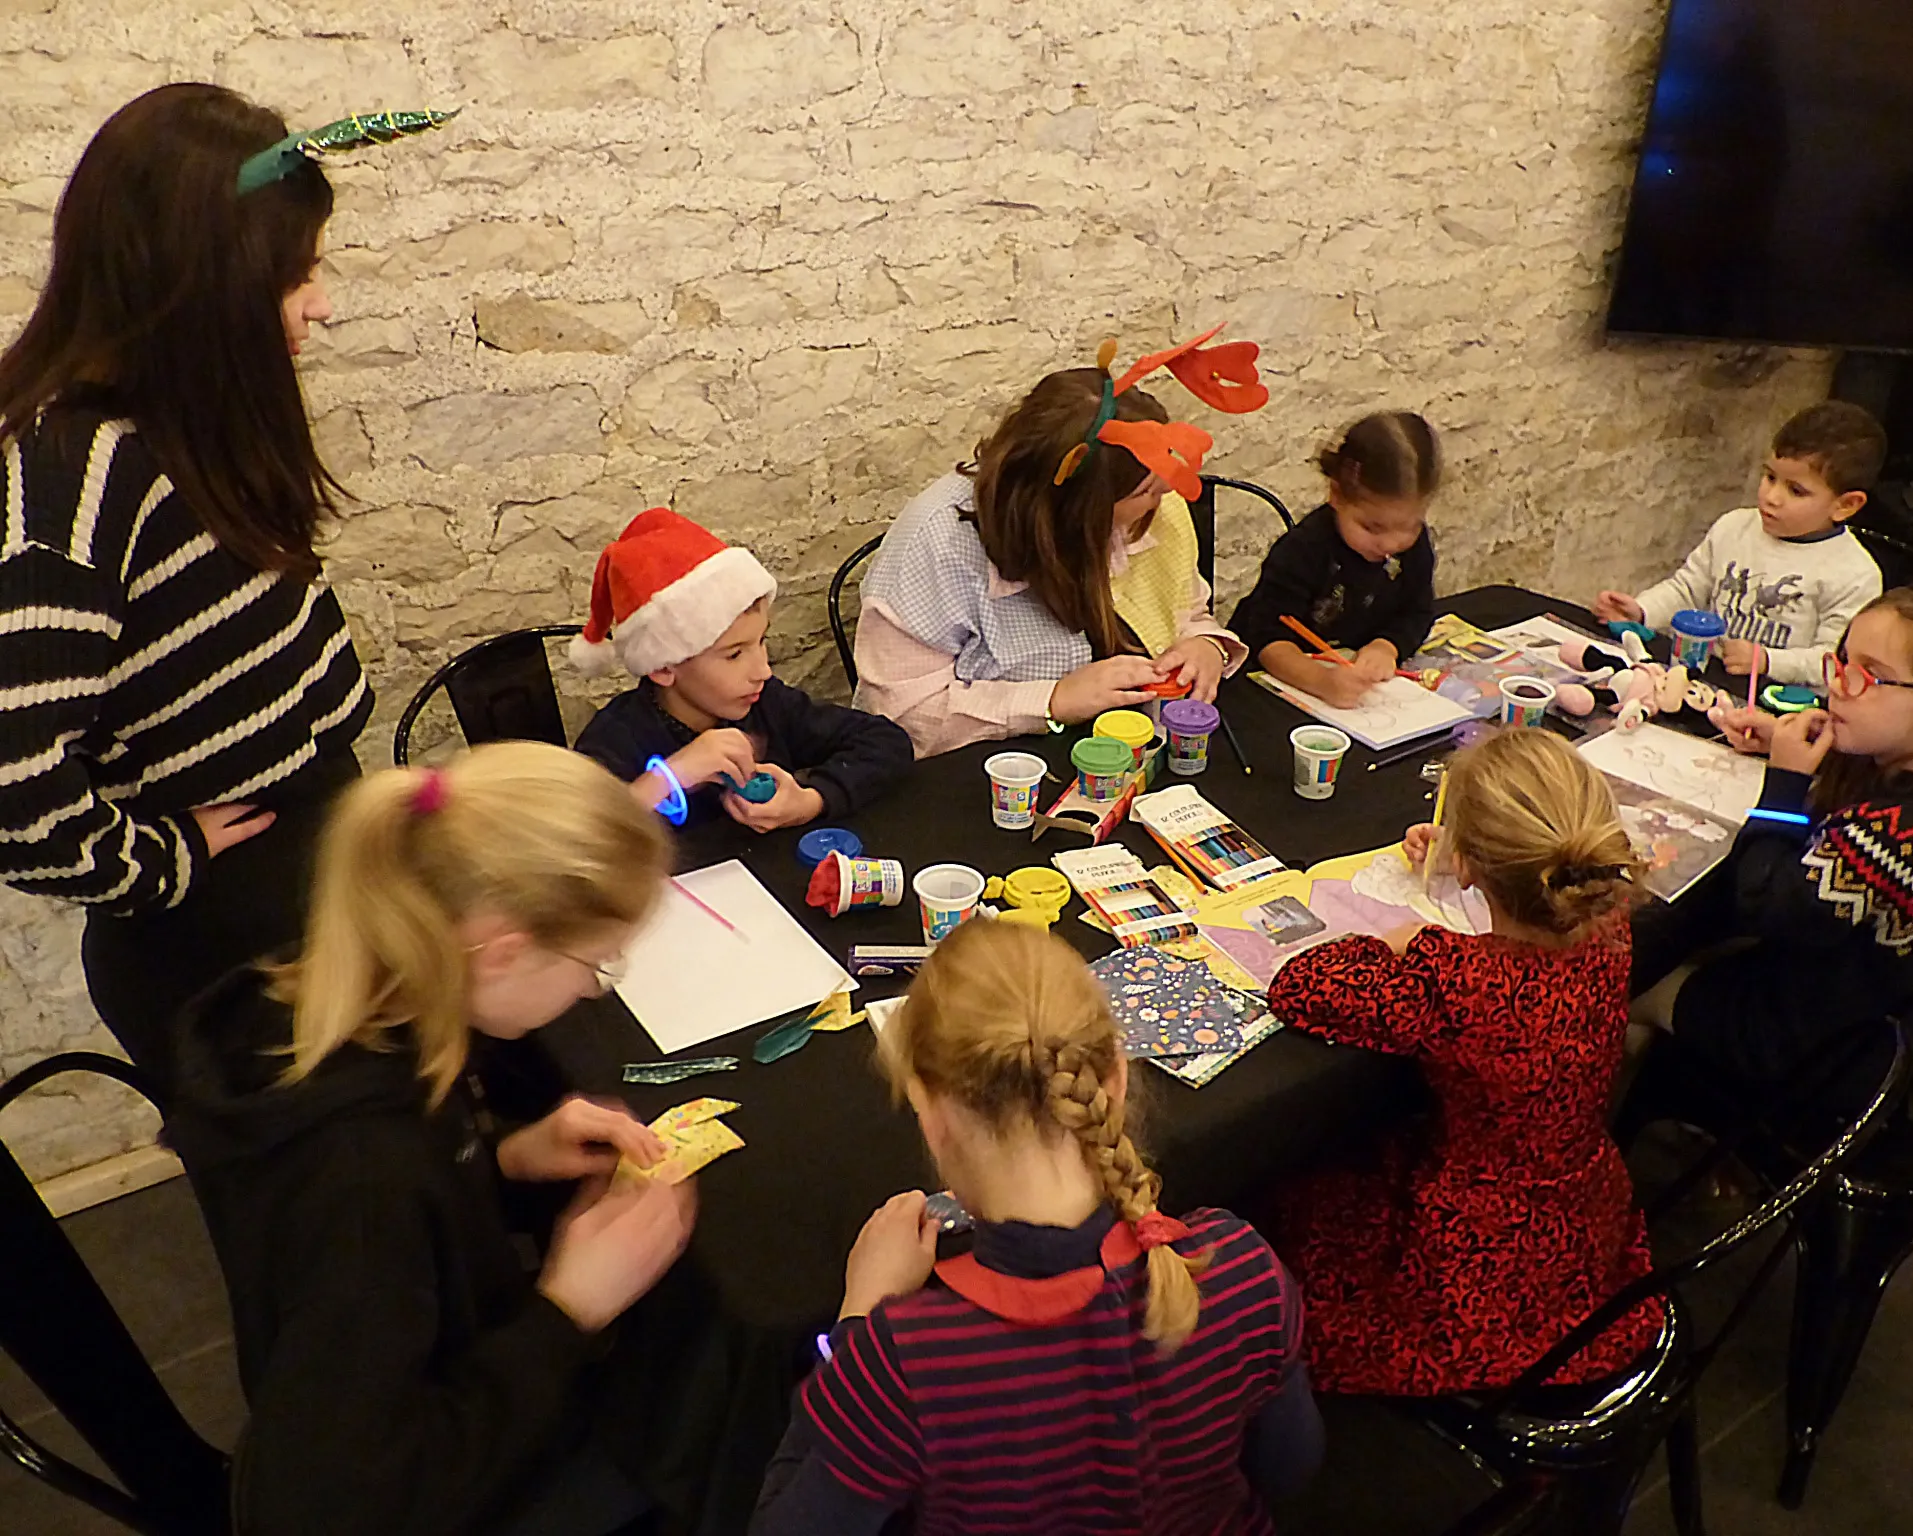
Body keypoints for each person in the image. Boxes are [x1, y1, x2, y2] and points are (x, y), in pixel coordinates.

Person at [0, 85, 448, 1082]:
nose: (322, 303)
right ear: (202, 281)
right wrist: (162, 862)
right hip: (222, 934)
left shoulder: (186, 422)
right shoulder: (66, 487)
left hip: (311, 860)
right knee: (343, 1203)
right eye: (296, 274)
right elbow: (16, 790)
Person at [168, 743, 724, 1536]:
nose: (589, 988)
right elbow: (331, 1502)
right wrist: (568, 1311)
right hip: (445, 1486)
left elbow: (400, 1211)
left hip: (435, 1362)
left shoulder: (347, 1006)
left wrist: (497, 1162)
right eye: (597, 965)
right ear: (504, 953)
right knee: (719, 1432)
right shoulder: (361, 1182)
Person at [751, 920, 1321, 1535]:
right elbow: (1290, 1469)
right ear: (1117, 1079)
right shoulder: (1241, 1267)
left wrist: (856, 1318)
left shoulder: (903, 1366)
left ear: (930, 1111)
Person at [1263, 728, 1664, 1396]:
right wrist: (1478, 857)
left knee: (1288, 1204)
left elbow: (1301, 983)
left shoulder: (1457, 979)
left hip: (1474, 1275)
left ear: (1474, 868)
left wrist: (1404, 938)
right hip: (1583, 1222)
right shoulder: (1610, 923)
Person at [1628, 583, 1913, 1121]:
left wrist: (1783, 786)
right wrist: (1797, 751)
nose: (1838, 685)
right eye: (1841, 660)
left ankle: (1599, 1157)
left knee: (1621, 987)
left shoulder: (1899, 835)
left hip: (1810, 1050)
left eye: (1867, 675)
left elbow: (1767, 903)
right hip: (1845, 1010)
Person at [853, 328, 1267, 757]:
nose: (1166, 493)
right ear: (1075, 509)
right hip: (996, 775)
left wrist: (1205, 647)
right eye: (1144, 492)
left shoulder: (1158, 505)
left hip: (1130, 750)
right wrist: (1052, 701)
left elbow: (1186, 610)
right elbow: (900, 716)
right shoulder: (937, 544)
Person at [571, 508, 912, 840]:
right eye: (734, 654)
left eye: (761, 641)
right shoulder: (615, 738)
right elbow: (571, 845)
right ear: (663, 667)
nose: (763, 670)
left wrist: (810, 801)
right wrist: (667, 777)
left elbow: (885, 742)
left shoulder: (767, 703)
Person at [1594, 400, 1886, 687]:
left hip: (1776, 708)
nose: (1772, 496)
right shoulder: (1734, 527)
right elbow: (1687, 589)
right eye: (1770, 477)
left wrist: (1767, 661)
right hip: (1703, 680)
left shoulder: (1856, 575)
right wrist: (1642, 611)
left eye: (1796, 491)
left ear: (1846, 505)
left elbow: (1833, 663)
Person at [1228, 411, 1441, 707]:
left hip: (1352, 685)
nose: (1392, 543)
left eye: (1409, 525)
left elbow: (1417, 611)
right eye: (1372, 527)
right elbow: (1266, 639)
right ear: (1337, 496)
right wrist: (1321, 682)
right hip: (1267, 685)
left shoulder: (1412, 547)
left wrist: (1386, 646)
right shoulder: (1304, 549)